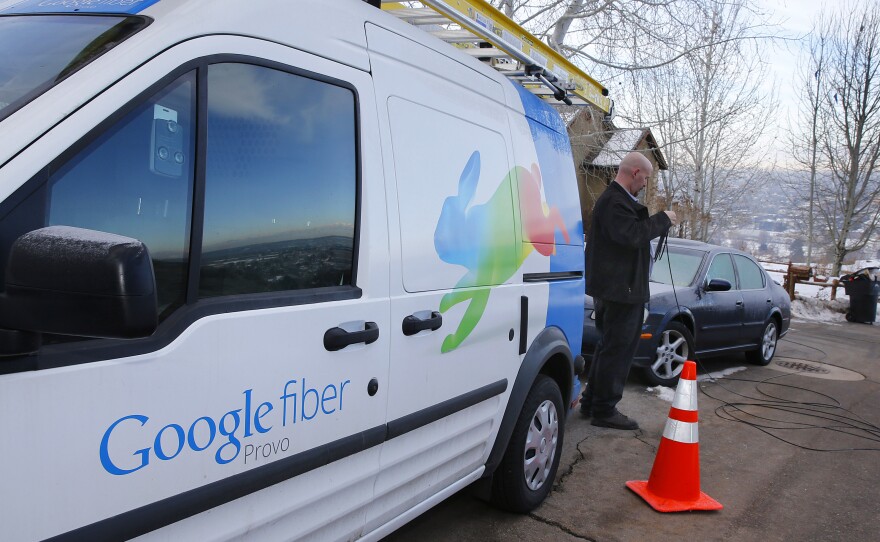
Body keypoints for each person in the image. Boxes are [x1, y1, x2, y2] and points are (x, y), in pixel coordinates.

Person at [581, 152, 677, 430]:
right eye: (645, 177)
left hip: (617, 288)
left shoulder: (616, 201)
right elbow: (632, 235)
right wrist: (663, 220)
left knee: (609, 347)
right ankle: (605, 409)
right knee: (619, 350)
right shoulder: (614, 201)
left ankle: (592, 402)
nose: (646, 183)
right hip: (621, 289)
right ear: (635, 173)